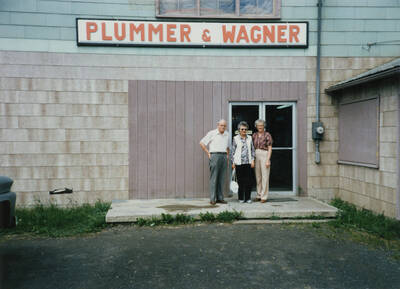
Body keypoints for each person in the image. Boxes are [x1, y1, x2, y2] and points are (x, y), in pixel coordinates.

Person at [200, 119, 229, 205]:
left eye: (224, 126)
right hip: (215, 155)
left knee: (222, 178)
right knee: (214, 178)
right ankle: (213, 198)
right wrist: (208, 153)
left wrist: (227, 157)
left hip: (224, 156)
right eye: (221, 125)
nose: (223, 127)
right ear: (218, 125)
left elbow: (227, 147)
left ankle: (220, 198)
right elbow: (202, 143)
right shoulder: (212, 133)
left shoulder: (227, 134)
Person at [231, 121, 255, 203]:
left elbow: (252, 150)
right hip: (239, 163)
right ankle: (241, 198)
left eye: (245, 129)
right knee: (240, 182)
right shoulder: (235, 138)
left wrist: (252, 161)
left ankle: (248, 198)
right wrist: (233, 162)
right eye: (242, 129)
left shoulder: (250, 138)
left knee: (249, 181)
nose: (244, 131)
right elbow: (232, 152)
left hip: (248, 163)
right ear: (239, 130)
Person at [252, 119, 273, 203]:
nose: (260, 127)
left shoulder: (267, 135)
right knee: (258, 176)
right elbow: (252, 147)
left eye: (261, 125)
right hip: (256, 154)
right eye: (258, 125)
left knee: (265, 176)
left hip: (264, 154)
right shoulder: (254, 135)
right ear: (256, 126)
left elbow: (270, 148)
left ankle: (264, 196)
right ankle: (259, 194)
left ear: (264, 126)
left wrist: (268, 160)